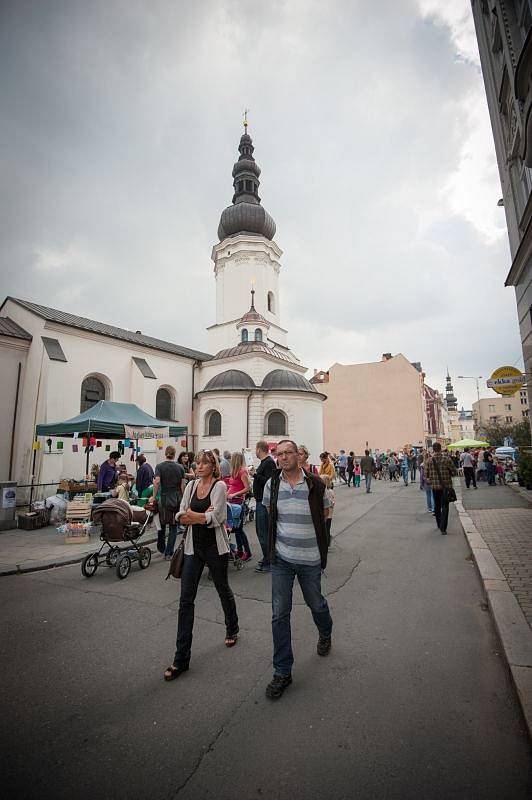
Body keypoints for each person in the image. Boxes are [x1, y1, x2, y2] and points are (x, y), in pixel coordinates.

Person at [262, 439, 332, 700]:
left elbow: (325, 513)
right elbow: (269, 515)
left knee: (316, 604)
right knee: (279, 614)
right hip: (282, 559)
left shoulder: (315, 483)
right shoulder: (273, 484)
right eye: (279, 454)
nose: (283, 458)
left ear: (298, 456)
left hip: (310, 559)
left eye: (288, 453)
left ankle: (325, 632)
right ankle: (282, 672)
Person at [164, 450, 239, 681]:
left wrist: (194, 516)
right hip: (193, 549)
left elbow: (217, 517)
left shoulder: (220, 486)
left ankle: (232, 627)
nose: (198, 466)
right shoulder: (191, 485)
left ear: (213, 466)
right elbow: (180, 514)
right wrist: (198, 515)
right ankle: (181, 659)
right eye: (197, 463)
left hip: (215, 548)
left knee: (222, 588)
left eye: (204, 463)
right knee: (186, 600)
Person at [152, 446, 186, 559]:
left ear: (165, 454)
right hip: (176, 498)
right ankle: (168, 553)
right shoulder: (180, 467)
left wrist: (153, 496)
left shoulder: (159, 466)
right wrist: (184, 499)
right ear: (175, 454)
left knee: (161, 524)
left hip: (164, 498)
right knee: (173, 527)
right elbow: (182, 485)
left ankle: (161, 547)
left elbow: (157, 482)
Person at [250, 440, 277, 572]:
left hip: (263, 502)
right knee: (262, 531)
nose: (255, 452)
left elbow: (269, 482)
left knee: (263, 532)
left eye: (256, 449)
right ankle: (267, 558)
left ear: (259, 449)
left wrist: (255, 475)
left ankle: (269, 561)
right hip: (260, 500)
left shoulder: (269, 462)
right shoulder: (265, 462)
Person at [425, 443, 456, 534]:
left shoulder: (430, 460)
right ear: (440, 449)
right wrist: (449, 473)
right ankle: (443, 528)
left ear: (433, 450)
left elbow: (427, 474)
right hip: (445, 487)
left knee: (437, 506)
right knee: (445, 506)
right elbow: (454, 472)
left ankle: (439, 524)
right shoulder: (446, 459)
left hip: (435, 487)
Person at [228, 452, 252, 561]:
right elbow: (232, 486)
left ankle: (247, 551)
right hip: (232, 501)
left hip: (238, 502)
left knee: (239, 529)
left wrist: (234, 494)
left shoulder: (242, 472)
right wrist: (227, 493)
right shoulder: (234, 471)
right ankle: (240, 550)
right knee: (237, 529)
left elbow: (247, 488)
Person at [321, 475, 335, 546]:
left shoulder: (329, 492)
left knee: (326, 529)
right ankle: (327, 540)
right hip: (329, 515)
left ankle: (326, 542)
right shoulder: (330, 491)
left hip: (328, 515)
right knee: (326, 529)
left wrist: (329, 503)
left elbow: (332, 503)